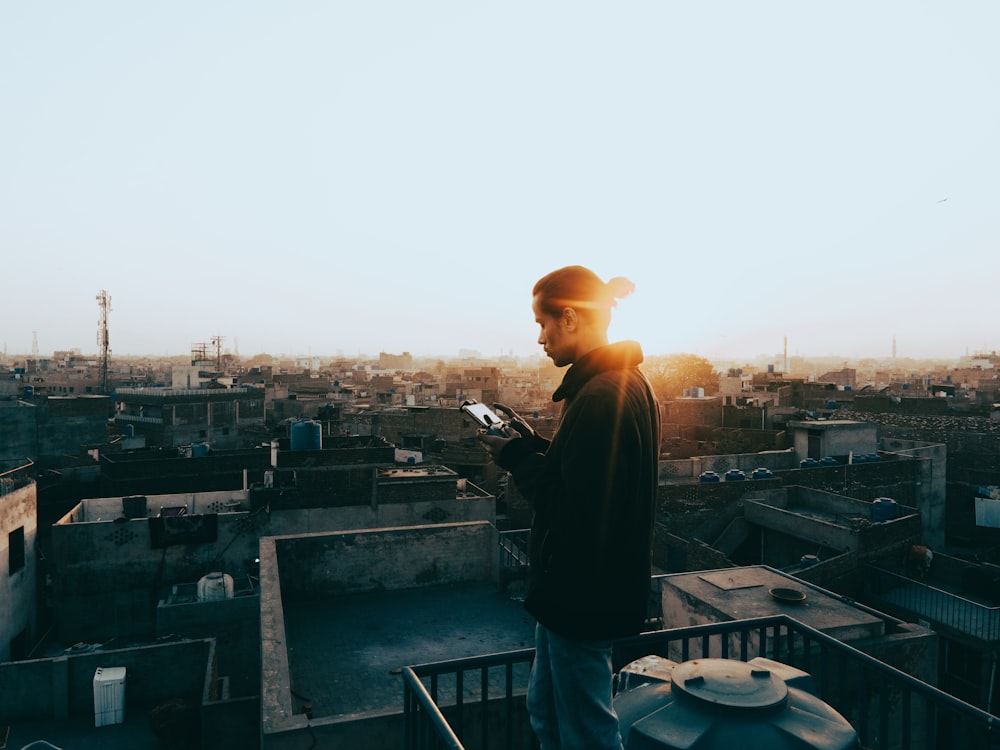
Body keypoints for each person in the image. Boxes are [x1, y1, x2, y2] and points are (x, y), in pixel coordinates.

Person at [478, 265, 660, 750]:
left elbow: (576, 508)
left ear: (572, 318)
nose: (540, 339)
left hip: (584, 590)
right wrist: (534, 445)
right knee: (549, 713)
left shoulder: (602, 395)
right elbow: (585, 469)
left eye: (543, 324)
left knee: (586, 729)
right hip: (569, 594)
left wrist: (516, 458)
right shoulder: (620, 383)